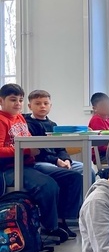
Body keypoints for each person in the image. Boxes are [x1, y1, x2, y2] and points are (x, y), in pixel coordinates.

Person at [0, 83, 80, 242]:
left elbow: (30, 140)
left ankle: (62, 220)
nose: (18, 103)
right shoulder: (2, 120)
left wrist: (35, 148)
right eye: (13, 100)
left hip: (29, 165)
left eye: (20, 100)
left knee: (73, 177)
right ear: (1, 101)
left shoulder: (20, 118)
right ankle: (50, 227)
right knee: (48, 185)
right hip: (10, 168)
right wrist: (26, 150)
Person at [24, 89, 95, 188]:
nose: (42, 106)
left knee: (88, 170)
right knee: (67, 174)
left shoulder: (53, 125)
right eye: (38, 103)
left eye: (46, 103)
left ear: (50, 105)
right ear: (30, 106)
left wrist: (66, 160)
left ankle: (87, 197)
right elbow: (37, 152)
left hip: (58, 160)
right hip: (40, 162)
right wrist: (56, 161)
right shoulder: (27, 124)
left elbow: (61, 148)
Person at [88, 92, 109, 165]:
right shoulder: (96, 120)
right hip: (102, 155)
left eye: (108, 104)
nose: (108, 107)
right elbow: (100, 145)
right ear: (94, 108)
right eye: (104, 105)